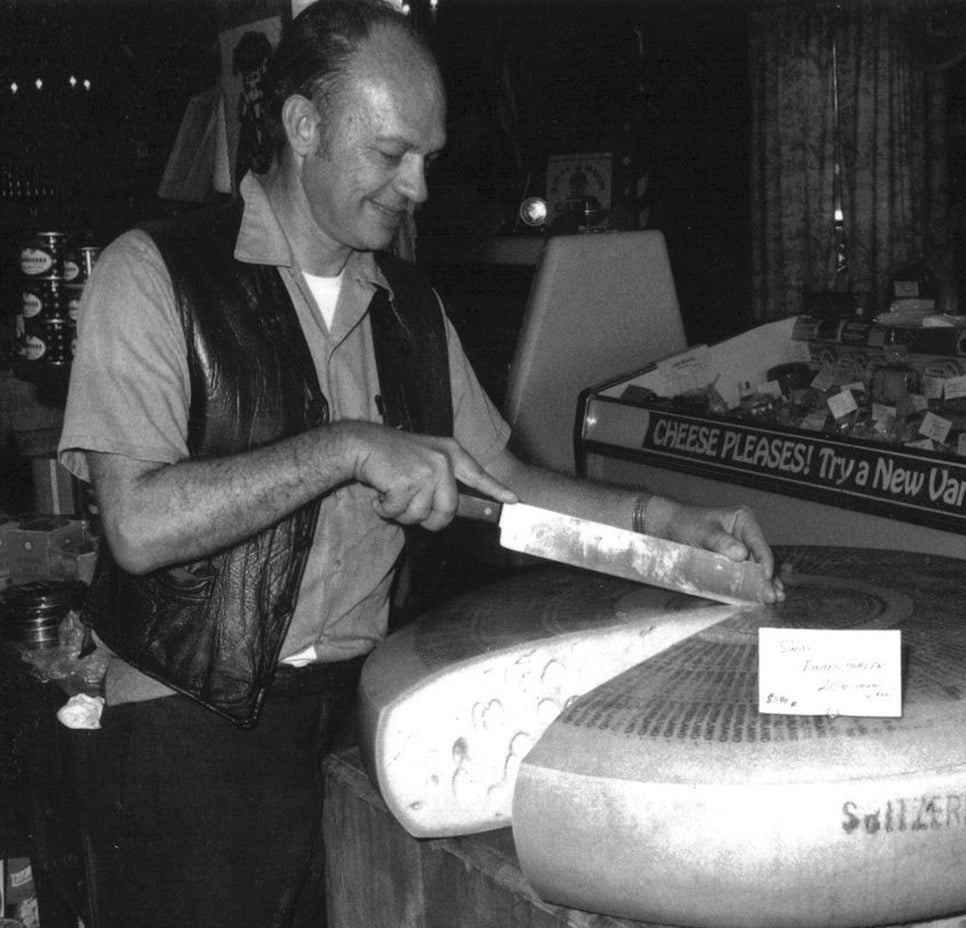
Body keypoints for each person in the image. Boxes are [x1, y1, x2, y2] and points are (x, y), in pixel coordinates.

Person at [57, 1, 783, 926]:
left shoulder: (406, 302)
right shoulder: (154, 272)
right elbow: (138, 525)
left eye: (428, 159)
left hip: (356, 721)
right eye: (391, 153)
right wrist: (350, 448)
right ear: (303, 125)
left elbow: (508, 483)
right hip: (189, 728)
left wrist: (667, 521)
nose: (419, 188)